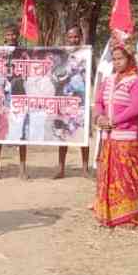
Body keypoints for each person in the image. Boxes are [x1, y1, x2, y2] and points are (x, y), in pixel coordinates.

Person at [92, 44, 138, 226]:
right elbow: (98, 101)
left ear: (129, 59)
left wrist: (114, 121)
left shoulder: (136, 81)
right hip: (108, 136)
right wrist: (100, 117)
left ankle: (128, 215)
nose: (117, 62)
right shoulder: (108, 79)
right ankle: (108, 211)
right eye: (114, 59)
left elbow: (136, 108)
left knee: (127, 175)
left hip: (127, 137)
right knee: (108, 174)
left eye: (120, 58)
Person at [0, 22, 29, 179]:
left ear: (17, 35)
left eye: (13, 34)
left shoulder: (23, 52)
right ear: (4, 36)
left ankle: (22, 169)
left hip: (20, 94)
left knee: (22, 132)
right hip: (3, 95)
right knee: (1, 131)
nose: (11, 37)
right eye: (8, 34)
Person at [57, 24, 91, 179]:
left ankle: (84, 168)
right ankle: (61, 169)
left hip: (81, 100)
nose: (73, 40)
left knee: (83, 134)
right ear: (66, 38)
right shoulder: (61, 55)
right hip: (66, 99)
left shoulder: (87, 54)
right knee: (63, 133)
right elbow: (57, 75)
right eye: (70, 37)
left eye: (76, 37)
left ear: (80, 38)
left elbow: (91, 74)